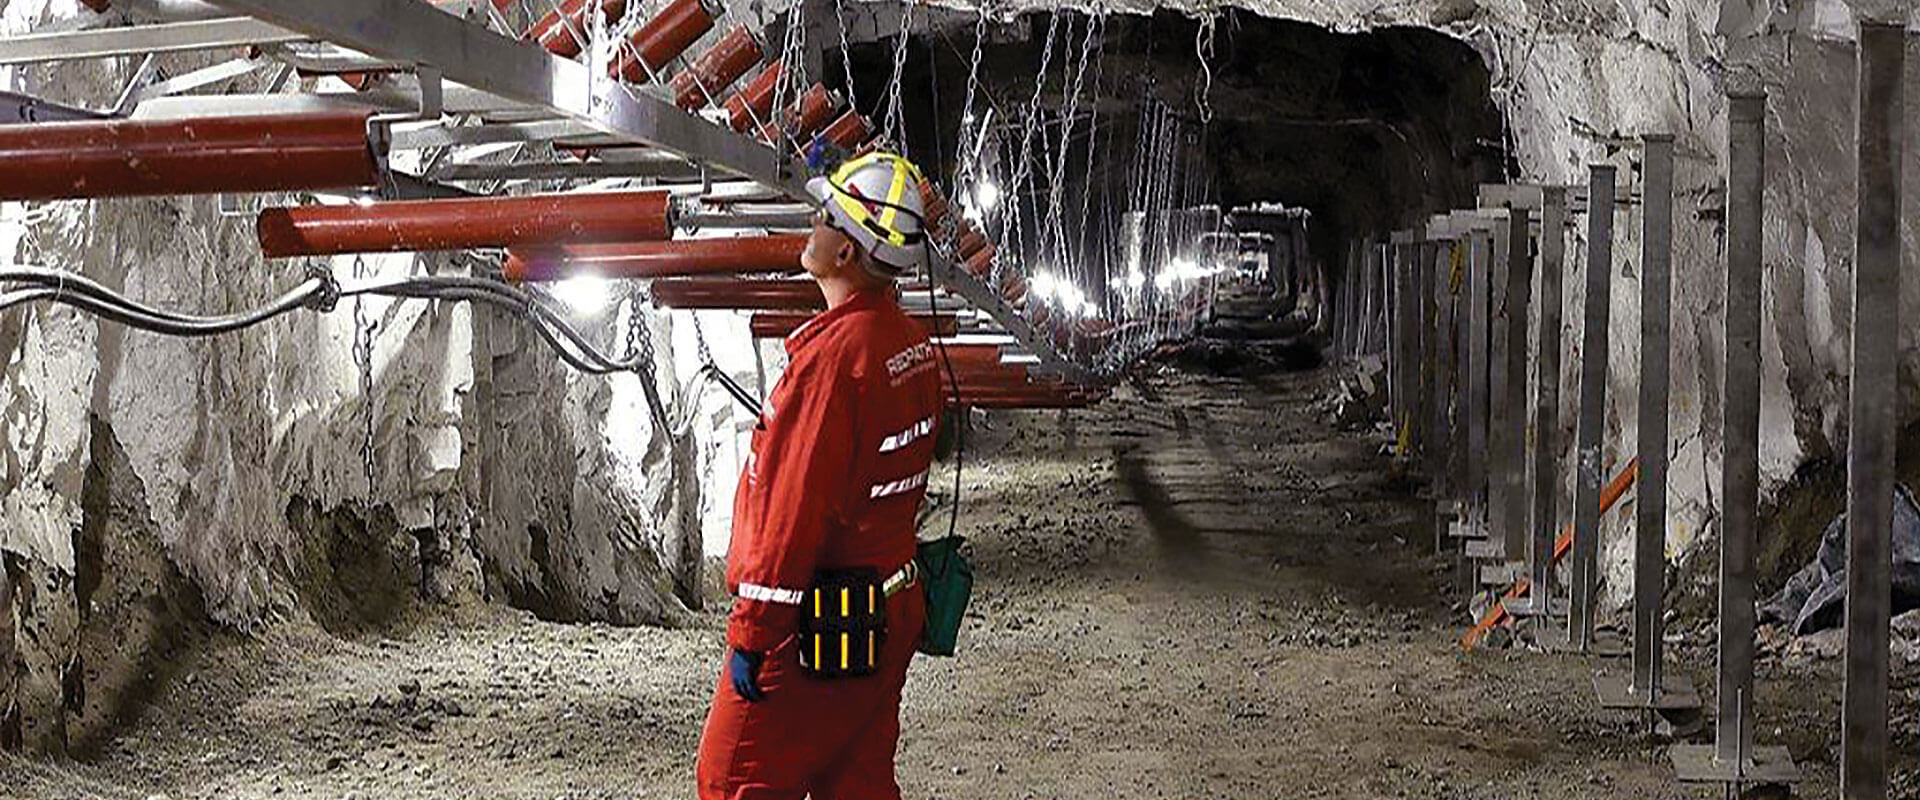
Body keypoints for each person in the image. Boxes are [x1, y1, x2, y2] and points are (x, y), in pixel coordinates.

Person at [696, 149, 945, 800]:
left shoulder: (834, 365)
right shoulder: (907, 344)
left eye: (825, 215)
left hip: (826, 624)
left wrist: (755, 633)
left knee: (734, 780)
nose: (813, 222)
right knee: (855, 783)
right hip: (888, 608)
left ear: (847, 253)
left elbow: (793, 515)